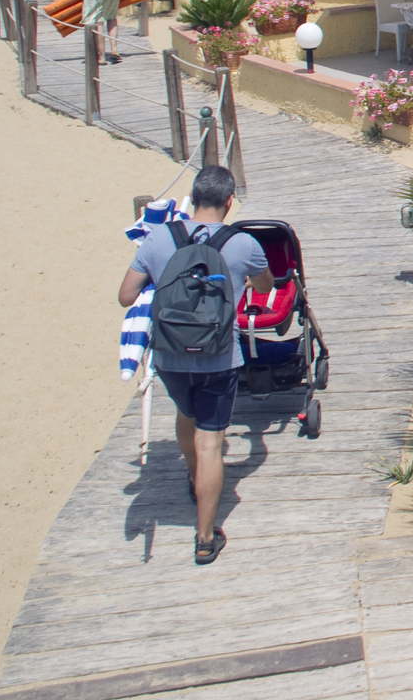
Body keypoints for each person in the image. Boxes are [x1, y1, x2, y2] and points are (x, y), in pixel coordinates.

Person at [118, 166, 272, 566]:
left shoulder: (158, 238)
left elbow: (125, 295)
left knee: (185, 413)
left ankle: (192, 478)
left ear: (191, 197)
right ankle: (205, 538)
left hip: (169, 356)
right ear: (229, 201)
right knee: (211, 442)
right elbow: (264, 287)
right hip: (219, 357)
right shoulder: (243, 244)